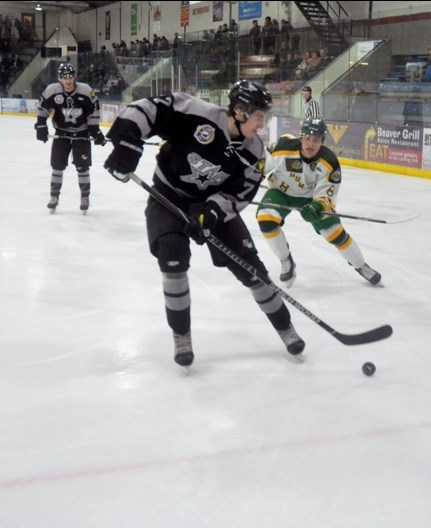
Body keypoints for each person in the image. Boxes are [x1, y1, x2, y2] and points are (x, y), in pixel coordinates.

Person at [102, 80, 305, 368]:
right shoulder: (195, 112)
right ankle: (181, 336)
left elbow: (241, 193)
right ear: (239, 110)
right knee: (172, 258)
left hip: (210, 206)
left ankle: (286, 328)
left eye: (265, 118)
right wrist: (128, 140)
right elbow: (146, 109)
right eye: (259, 117)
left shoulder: (255, 152)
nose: (262, 125)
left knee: (253, 270)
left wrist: (212, 213)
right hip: (167, 196)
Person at [256, 118, 382, 288]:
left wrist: (317, 206)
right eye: (307, 138)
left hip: (311, 198)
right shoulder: (282, 146)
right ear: (301, 138)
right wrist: (252, 176)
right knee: (265, 218)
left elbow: (326, 195)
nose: (310, 143)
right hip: (281, 191)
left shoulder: (329, 162)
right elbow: (261, 163)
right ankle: (286, 260)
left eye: (316, 139)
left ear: (322, 141)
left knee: (334, 232)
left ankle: (361, 265)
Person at [34, 63, 105, 214]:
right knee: (57, 166)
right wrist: (41, 125)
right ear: (60, 78)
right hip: (62, 134)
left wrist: (95, 131)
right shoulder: (52, 90)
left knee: (82, 167)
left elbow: (94, 110)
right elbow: (42, 108)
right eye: (65, 78)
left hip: (81, 134)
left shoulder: (86, 91)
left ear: (74, 77)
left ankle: (84, 197)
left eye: (70, 77)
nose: (68, 81)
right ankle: (54, 197)